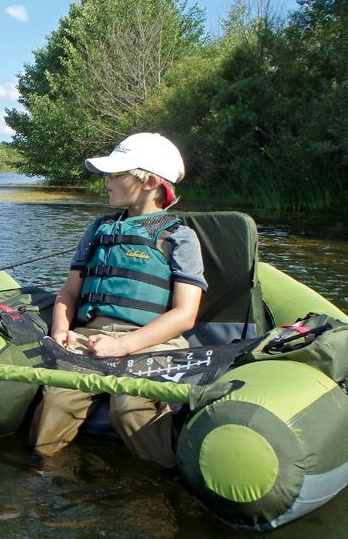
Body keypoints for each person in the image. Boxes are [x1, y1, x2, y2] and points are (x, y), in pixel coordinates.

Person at [30, 133, 207, 467]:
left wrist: (123, 346)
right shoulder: (97, 229)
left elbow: (185, 315)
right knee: (56, 399)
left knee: (130, 406)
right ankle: (44, 475)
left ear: (150, 181)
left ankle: (159, 480)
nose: (106, 181)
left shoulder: (178, 237)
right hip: (88, 338)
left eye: (115, 174)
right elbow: (69, 292)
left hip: (152, 344)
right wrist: (60, 330)